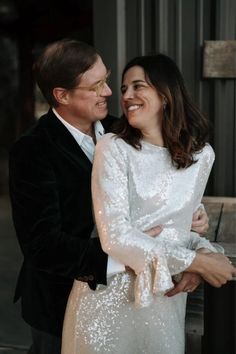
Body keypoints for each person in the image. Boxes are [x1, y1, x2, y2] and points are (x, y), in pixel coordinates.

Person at [9, 39, 208, 354]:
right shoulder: (32, 150)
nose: (110, 92)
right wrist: (121, 254)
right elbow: (42, 245)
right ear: (61, 95)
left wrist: (188, 212)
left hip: (130, 301)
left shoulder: (124, 128)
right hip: (58, 301)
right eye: (96, 85)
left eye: (106, 78)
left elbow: (160, 185)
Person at [61, 53, 236, 354]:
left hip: (164, 303)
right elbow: (115, 237)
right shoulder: (114, 148)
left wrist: (202, 249)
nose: (126, 95)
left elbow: (178, 228)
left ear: (166, 94)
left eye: (137, 86)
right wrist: (198, 262)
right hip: (108, 304)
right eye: (124, 88)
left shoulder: (202, 155)